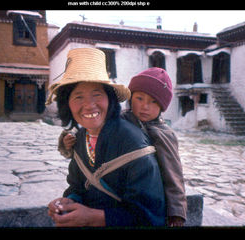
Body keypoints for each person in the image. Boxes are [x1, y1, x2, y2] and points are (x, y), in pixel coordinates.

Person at [45, 48, 166, 227]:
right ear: (67, 104)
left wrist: (92, 217)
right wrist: (69, 201)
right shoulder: (81, 140)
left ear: (110, 99)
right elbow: (78, 186)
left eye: (97, 95)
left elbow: (150, 215)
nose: (89, 105)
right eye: (78, 97)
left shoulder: (132, 143)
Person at [60, 67, 187, 227]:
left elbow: (173, 174)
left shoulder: (162, 134)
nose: (145, 106)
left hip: (150, 192)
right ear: (130, 97)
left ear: (162, 107)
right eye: (139, 98)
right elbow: (89, 126)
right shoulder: (120, 118)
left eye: (153, 101)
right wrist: (68, 140)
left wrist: (177, 212)